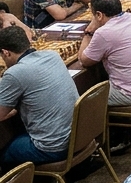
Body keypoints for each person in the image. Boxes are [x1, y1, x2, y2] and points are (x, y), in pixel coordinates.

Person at [0, 26, 78, 170]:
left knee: (4, 151)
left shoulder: (14, 73)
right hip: (78, 137)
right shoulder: (52, 55)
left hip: (53, 147)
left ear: (6, 52)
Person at [78, 0, 131, 107]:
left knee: (84, 101)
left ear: (99, 15)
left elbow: (84, 60)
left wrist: (89, 32)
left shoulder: (104, 33)